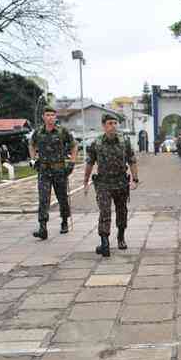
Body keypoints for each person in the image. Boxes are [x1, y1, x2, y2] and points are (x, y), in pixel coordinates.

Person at [83, 114, 139, 257]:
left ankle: (121, 237)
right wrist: (85, 182)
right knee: (105, 211)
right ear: (104, 125)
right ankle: (105, 242)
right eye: (110, 123)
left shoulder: (124, 141)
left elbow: (132, 160)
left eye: (115, 123)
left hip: (121, 182)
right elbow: (89, 163)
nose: (113, 126)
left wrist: (135, 179)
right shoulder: (96, 143)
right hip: (103, 183)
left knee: (122, 211)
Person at [29, 106, 77, 240]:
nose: (50, 117)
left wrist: (72, 163)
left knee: (62, 197)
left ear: (55, 117)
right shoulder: (38, 132)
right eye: (48, 115)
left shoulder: (62, 132)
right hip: (43, 170)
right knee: (43, 199)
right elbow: (31, 144)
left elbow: (74, 146)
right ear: (43, 117)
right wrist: (33, 159)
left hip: (59, 170)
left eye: (52, 115)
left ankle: (64, 222)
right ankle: (42, 227)